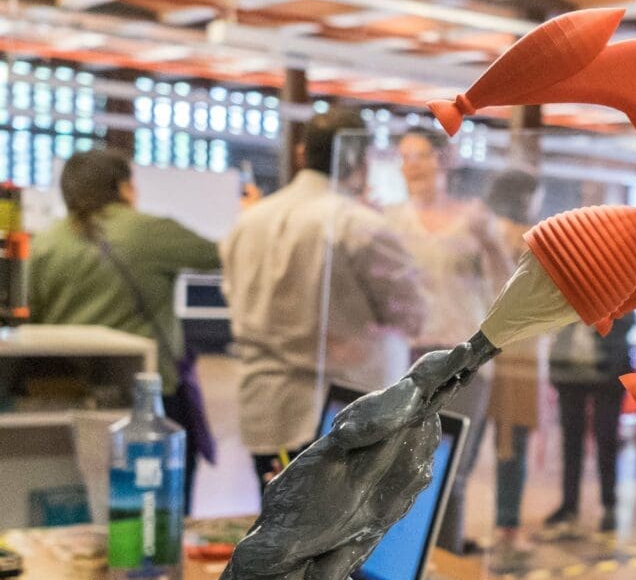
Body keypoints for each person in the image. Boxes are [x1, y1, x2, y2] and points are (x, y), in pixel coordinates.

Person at [221, 108, 427, 493]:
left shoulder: (248, 222)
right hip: (342, 413)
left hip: (265, 409)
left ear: (302, 154)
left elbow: (234, 298)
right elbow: (411, 315)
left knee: (278, 536)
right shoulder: (359, 225)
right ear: (360, 161)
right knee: (336, 543)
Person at [28, 149, 221, 511]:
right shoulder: (147, 231)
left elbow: (34, 319)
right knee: (159, 506)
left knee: (83, 497)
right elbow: (222, 255)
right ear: (123, 187)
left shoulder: (45, 243)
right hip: (150, 398)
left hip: (69, 395)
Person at [384, 130, 510, 551]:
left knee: (451, 471)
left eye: (419, 155)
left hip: (462, 359)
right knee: (401, 469)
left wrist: (491, 241)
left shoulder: (473, 216)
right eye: (404, 157)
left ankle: (444, 564)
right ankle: (403, 562)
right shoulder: (390, 219)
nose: (411, 165)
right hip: (405, 358)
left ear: (445, 159)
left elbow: (505, 283)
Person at [483, 169, 543, 562]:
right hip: (517, 351)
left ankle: (506, 523)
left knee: (501, 444)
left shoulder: (492, 232)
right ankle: (509, 524)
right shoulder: (528, 238)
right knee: (512, 445)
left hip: (498, 346)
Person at [545, 310, 634, 536]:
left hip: (609, 369)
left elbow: (629, 320)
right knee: (571, 441)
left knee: (606, 439)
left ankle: (609, 506)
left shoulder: (621, 282)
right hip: (568, 369)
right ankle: (569, 505)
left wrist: (597, 317)